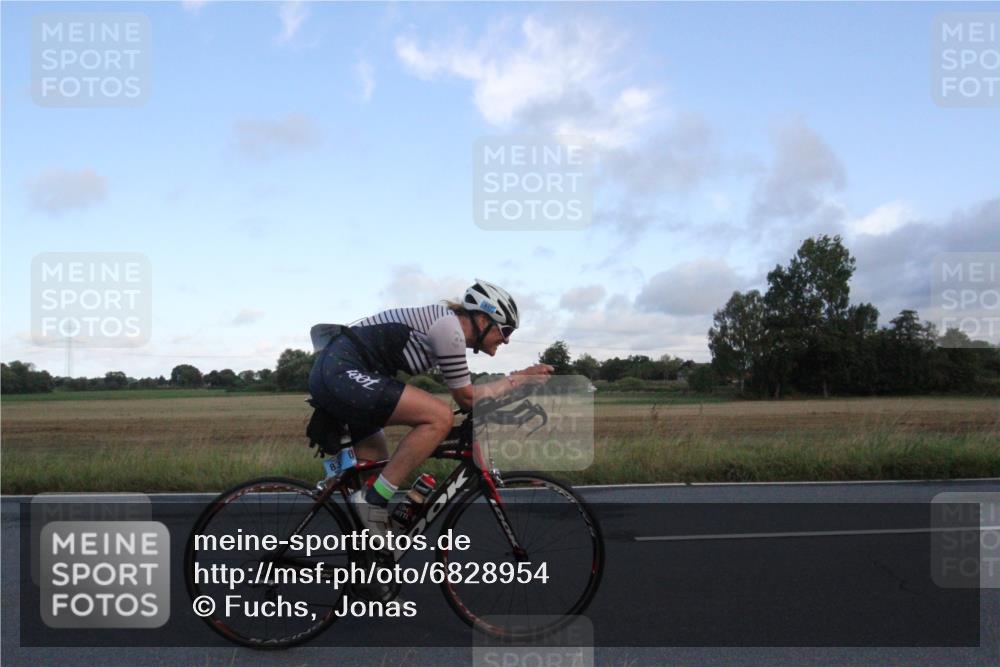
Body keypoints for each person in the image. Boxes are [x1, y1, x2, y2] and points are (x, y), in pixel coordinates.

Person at [308, 279, 553, 537]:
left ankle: (367, 560)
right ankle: (371, 501)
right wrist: (520, 378)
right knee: (439, 417)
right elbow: (467, 398)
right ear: (482, 320)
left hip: (346, 372)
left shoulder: (446, 327)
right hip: (342, 371)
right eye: (506, 331)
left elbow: (473, 397)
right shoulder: (449, 328)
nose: (506, 340)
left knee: (377, 469)